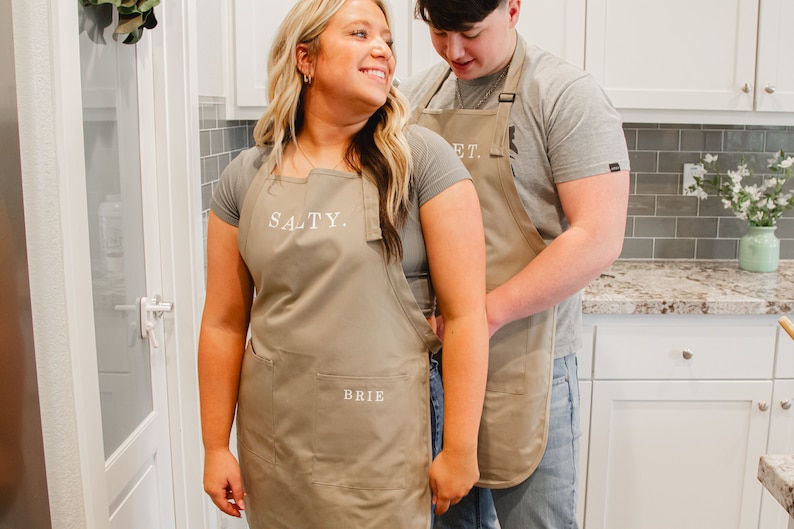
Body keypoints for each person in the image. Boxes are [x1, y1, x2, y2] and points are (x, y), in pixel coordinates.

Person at [197, 0, 489, 527]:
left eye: (387, 39)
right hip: (273, 449)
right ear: (305, 58)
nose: (382, 48)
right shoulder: (246, 175)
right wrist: (216, 445)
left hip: (379, 449)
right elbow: (222, 323)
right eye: (360, 33)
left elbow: (467, 318)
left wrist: (461, 448)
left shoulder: (422, 162)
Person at [399, 1, 630, 528]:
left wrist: (483, 315)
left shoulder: (565, 96)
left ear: (514, 8)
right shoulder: (414, 97)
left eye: (470, 33)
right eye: (438, 32)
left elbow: (599, 235)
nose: (454, 51)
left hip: (529, 363)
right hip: (433, 369)